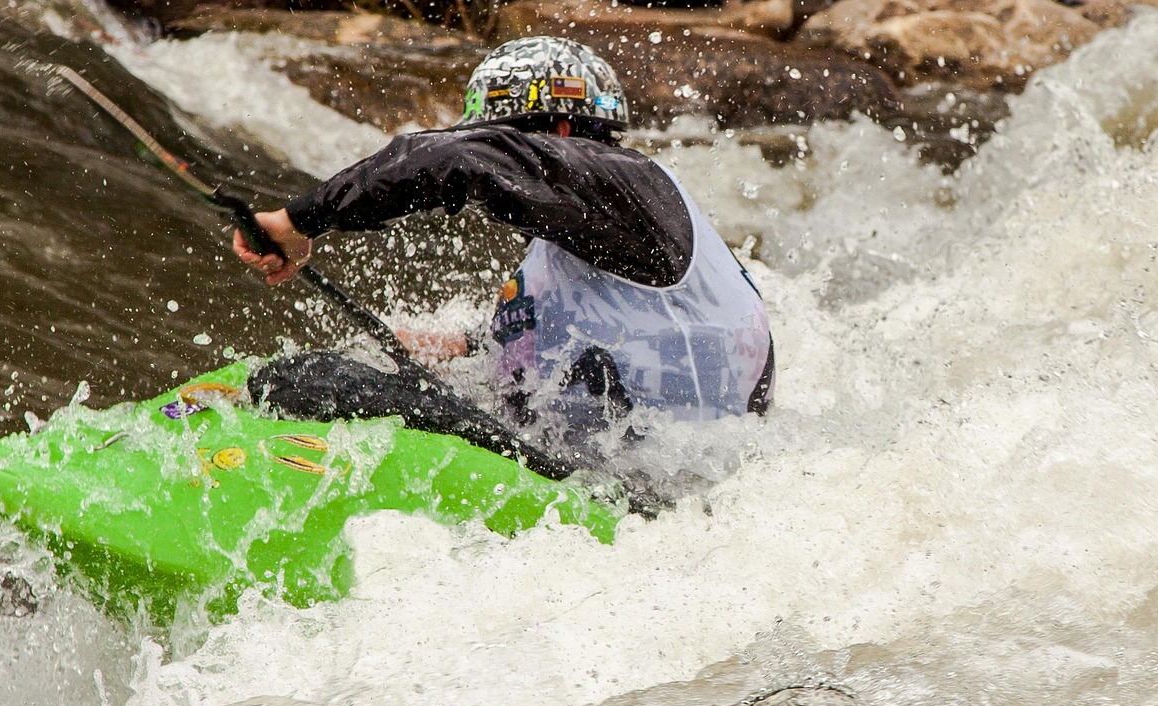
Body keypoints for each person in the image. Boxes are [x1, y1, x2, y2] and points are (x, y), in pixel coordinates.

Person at [234, 36, 775, 454]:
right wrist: (466, 347)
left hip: (652, 496)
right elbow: (601, 339)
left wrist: (298, 220)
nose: (500, 170)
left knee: (315, 385)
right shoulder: (586, 238)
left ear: (562, 132)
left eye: (510, 140)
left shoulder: (628, 185)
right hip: (600, 481)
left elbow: (454, 160)